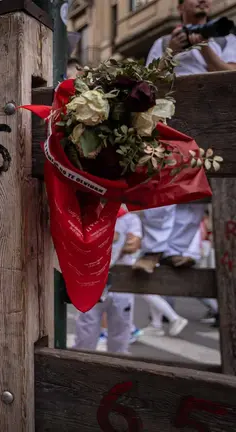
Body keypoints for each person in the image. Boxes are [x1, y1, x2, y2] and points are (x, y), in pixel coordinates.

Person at [135, 0, 236, 274]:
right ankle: (153, 248)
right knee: (162, 181)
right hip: (172, 122)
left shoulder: (226, 39)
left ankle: (176, 250)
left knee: (199, 189)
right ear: (181, 6)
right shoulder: (163, 42)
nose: (203, 0)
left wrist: (204, 47)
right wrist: (170, 51)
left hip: (215, 123)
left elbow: (231, 75)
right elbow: (148, 81)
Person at [73, 207, 139, 354]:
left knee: (120, 336)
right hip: (92, 281)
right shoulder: (89, 214)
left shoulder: (130, 219)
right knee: (85, 335)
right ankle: (80, 371)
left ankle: (119, 373)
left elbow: (133, 244)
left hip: (121, 282)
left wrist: (105, 242)